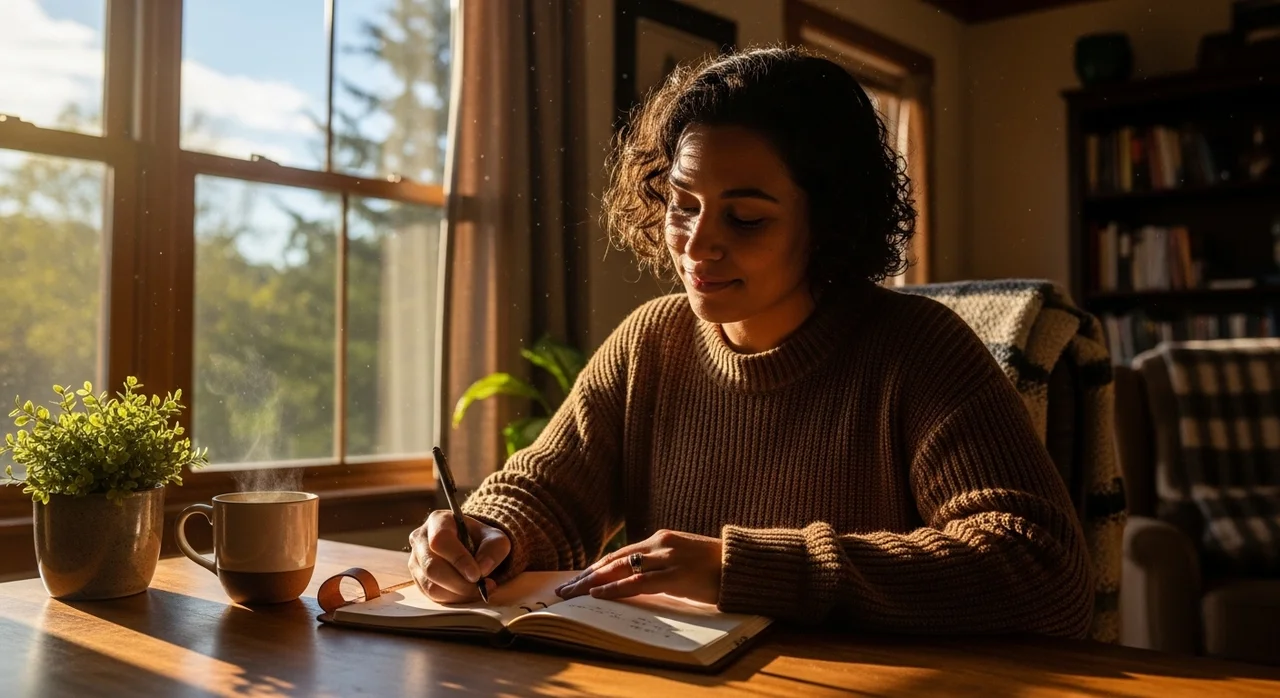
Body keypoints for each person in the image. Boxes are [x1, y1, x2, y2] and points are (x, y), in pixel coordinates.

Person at [408, 46, 1093, 637]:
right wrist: (489, 534)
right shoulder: (653, 342)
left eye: (744, 218)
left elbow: (1042, 571)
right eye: (682, 205)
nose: (698, 246)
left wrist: (741, 569)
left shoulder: (917, 352)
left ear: (827, 221)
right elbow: (551, 491)